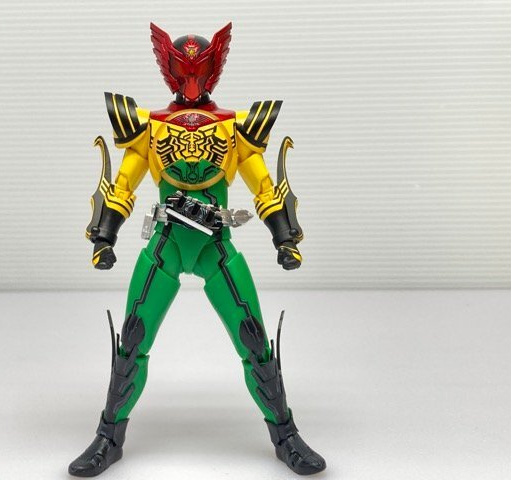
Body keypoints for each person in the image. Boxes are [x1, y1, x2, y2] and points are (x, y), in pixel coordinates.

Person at [69, 22, 326, 477]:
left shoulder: (234, 128)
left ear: (213, 69)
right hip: (166, 245)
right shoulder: (150, 127)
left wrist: (284, 238)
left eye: (199, 71)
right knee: (133, 341)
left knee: (253, 338)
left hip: (215, 247)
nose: (191, 82)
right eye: (183, 71)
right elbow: (123, 185)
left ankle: (285, 435)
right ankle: (109, 436)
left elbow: (263, 187)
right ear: (168, 69)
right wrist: (105, 237)